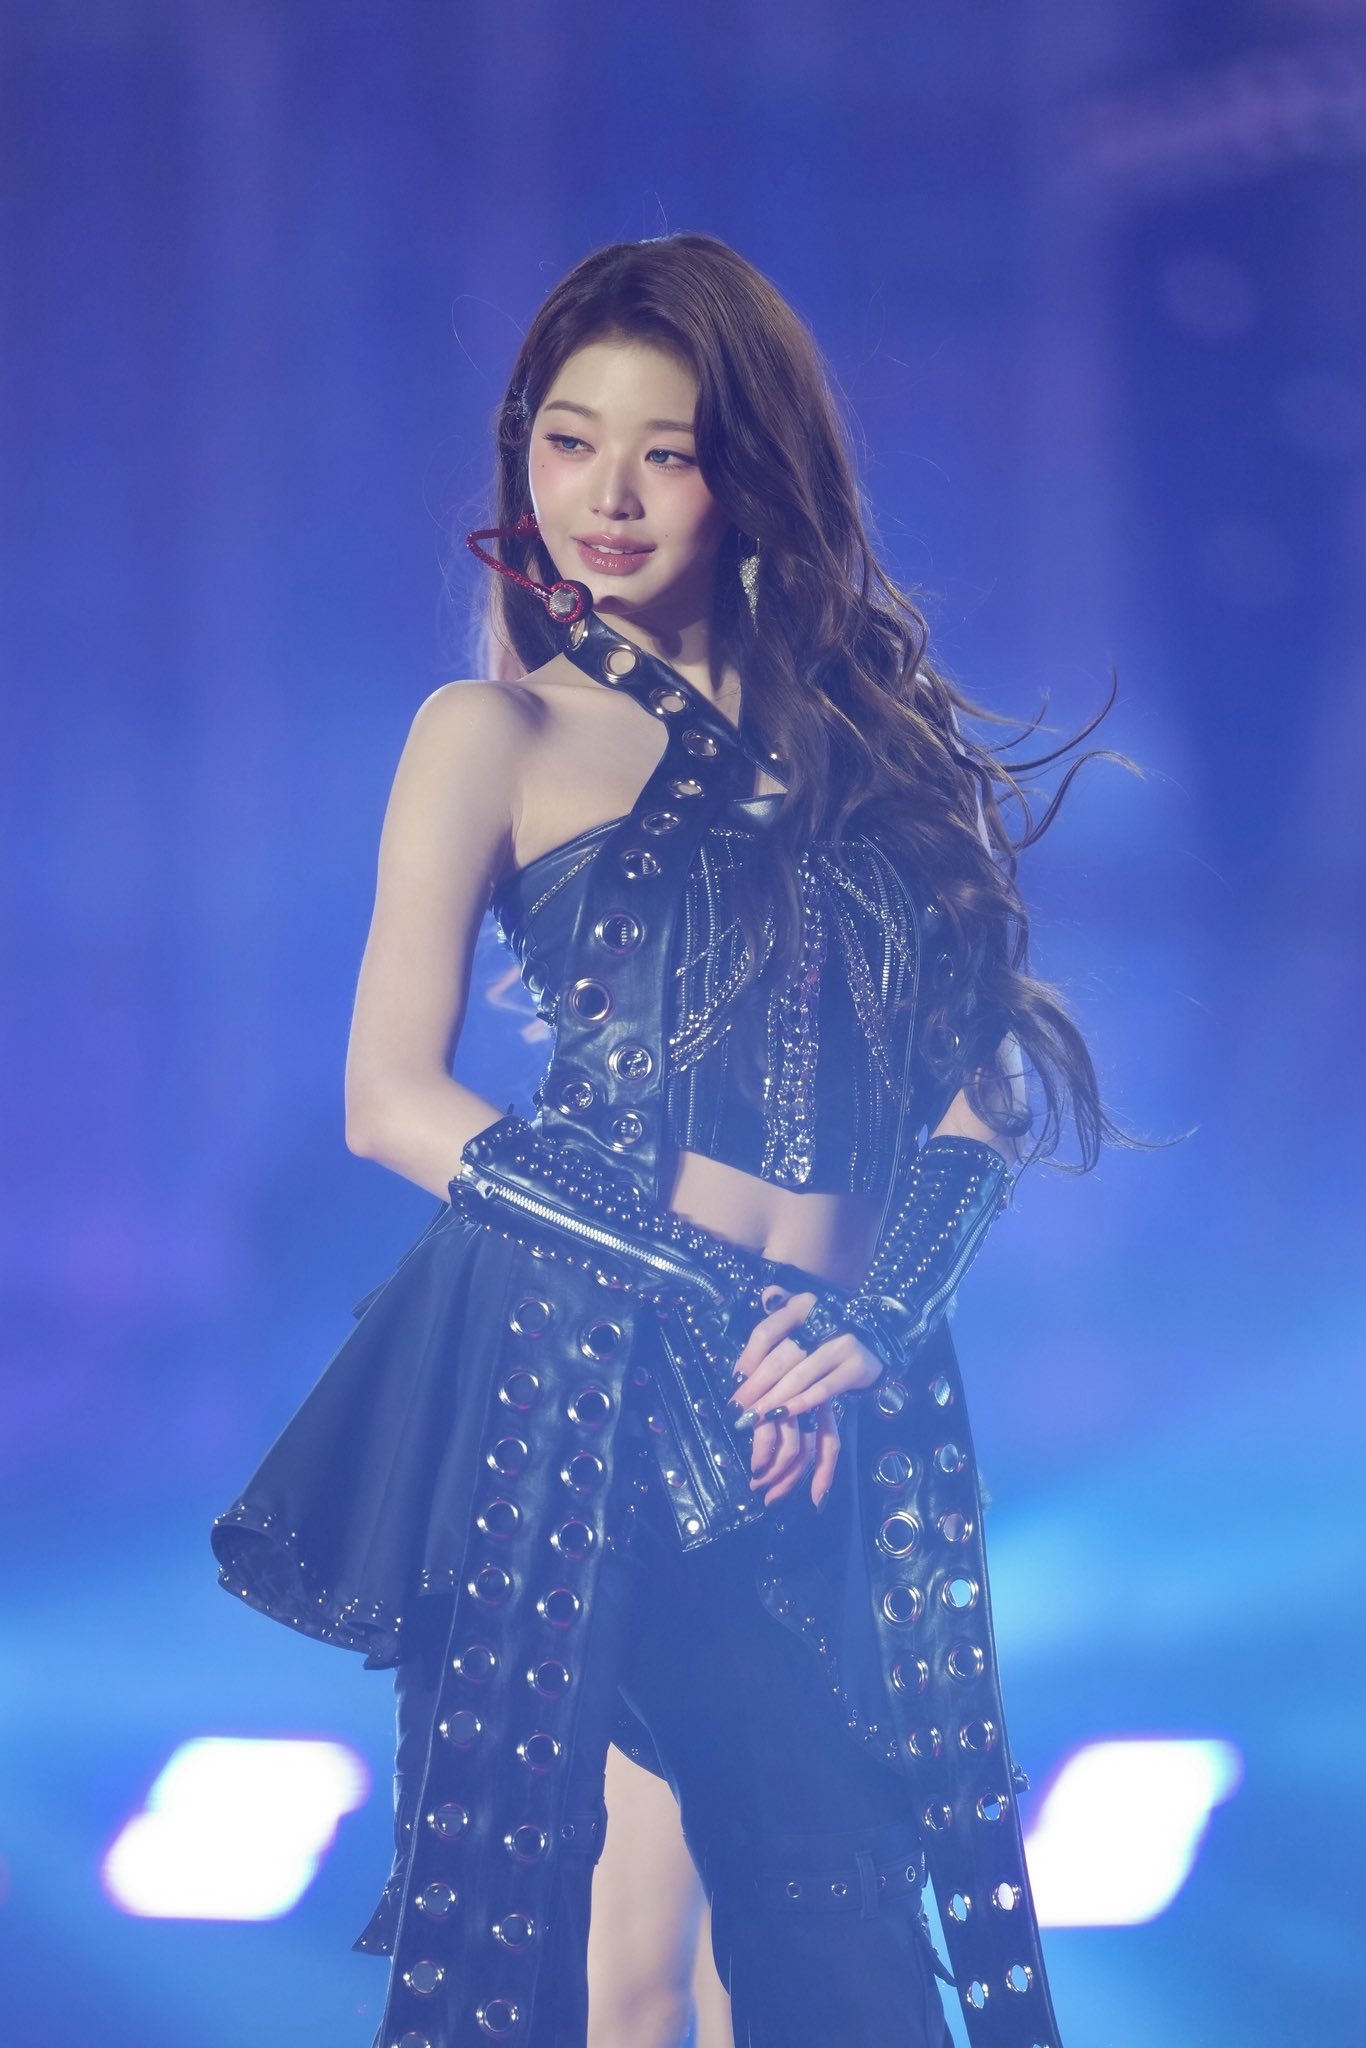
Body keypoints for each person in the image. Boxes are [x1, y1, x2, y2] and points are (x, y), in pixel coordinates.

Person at [213, 231, 1132, 2048]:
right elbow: (390, 1098)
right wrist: (720, 1311)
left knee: (842, 1919)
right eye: (567, 443)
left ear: (753, 469)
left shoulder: (878, 758)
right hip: (569, 1369)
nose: (606, 498)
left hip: (825, 1394)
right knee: (528, 1933)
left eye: (666, 450)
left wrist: (865, 1325)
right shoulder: (493, 729)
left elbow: (974, 1091)